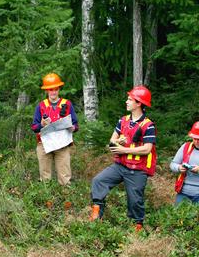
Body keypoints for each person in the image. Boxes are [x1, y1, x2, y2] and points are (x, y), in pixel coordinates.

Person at [90, 86, 156, 231]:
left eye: (129, 99)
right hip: (120, 166)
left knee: (135, 200)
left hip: (137, 170)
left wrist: (123, 149)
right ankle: (96, 214)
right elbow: (111, 141)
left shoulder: (148, 125)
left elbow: (147, 149)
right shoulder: (123, 120)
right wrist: (115, 143)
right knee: (98, 181)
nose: (126, 102)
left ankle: (136, 227)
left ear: (139, 103)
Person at [31, 73, 78, 186]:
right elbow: (34, 127)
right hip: (44, 144)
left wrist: (73, 127)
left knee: (65, 177)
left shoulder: (67, 104)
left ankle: (66, 199)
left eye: (56, 89)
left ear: (59, 89)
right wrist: (41, 124)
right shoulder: (41, 106)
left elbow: (76, 125)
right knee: (45, 176)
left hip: (62, 144)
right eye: (50, 89)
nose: (53, 92)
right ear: (46, 90)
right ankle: (46, 200)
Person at [170, 121, 199, 205]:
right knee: (177, 216)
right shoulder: (186, 147)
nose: (196, 141)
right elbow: (173, 164)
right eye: (194, 138)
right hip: (183, 192)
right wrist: (179, 168)